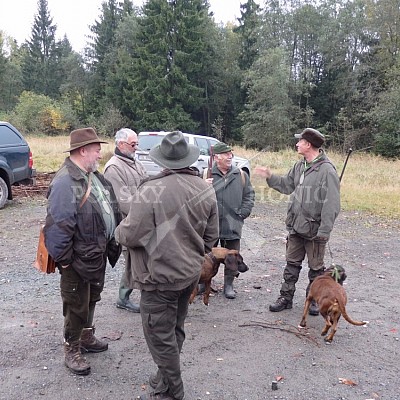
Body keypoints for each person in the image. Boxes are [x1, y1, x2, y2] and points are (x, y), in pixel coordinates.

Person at [115, 131, 219, 400]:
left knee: (159, 336)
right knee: (175, 329)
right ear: (188, 158)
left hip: (159, 278)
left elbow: (129, 234)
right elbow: (211, 238)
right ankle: (164, 379)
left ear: (163, 161)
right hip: (189, 275)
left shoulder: (151, 190)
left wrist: (117, 233)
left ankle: (175, 389)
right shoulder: (206, 188)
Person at [44, 127, 121, 376]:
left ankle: (86, 337)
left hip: (94, 255)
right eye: (97, 150)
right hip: (77, 261)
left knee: (90, 299)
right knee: (76, 305)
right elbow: (57, 228)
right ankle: (72, 349)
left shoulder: (92, 176)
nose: (100, 154)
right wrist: (65, 262)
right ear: (83, 150)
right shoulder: (66, 181)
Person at [254, 128, 340, 315]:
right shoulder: (300, 166)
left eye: (299, 141)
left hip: (315, 231)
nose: (297, 144)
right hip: (296, 226)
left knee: (316, 269)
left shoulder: (327, 170)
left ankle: (315, 300)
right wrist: (270, 176)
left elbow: (332, 204)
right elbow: (286, 185)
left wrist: (324, 231)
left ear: (308, 145)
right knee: (291, 265)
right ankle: (286, 298)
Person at [104, 128, 148, 313]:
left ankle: (135, 295)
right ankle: (123, 298)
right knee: (132, 261)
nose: (136, 147)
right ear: (121, 144)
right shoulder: (114, 168)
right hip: (128, 224)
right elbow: (124, 203)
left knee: (140, 260)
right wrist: (149, 212)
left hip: (141, 221)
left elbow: (147, 185)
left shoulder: (134, 162)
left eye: (137, 143)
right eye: (133, 144)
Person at [206, 142, 254, 299]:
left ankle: (229, 285)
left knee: (233, 257)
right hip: (209, 225)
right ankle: (203, 283)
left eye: (230, 154)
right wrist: (203, 186)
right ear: (216, 157)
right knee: (206, 255)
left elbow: (249, 195)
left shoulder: (240, 175)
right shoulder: (206, 174)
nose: (230, 157)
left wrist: (243, 213)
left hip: (233, 224)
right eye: (226, 154)